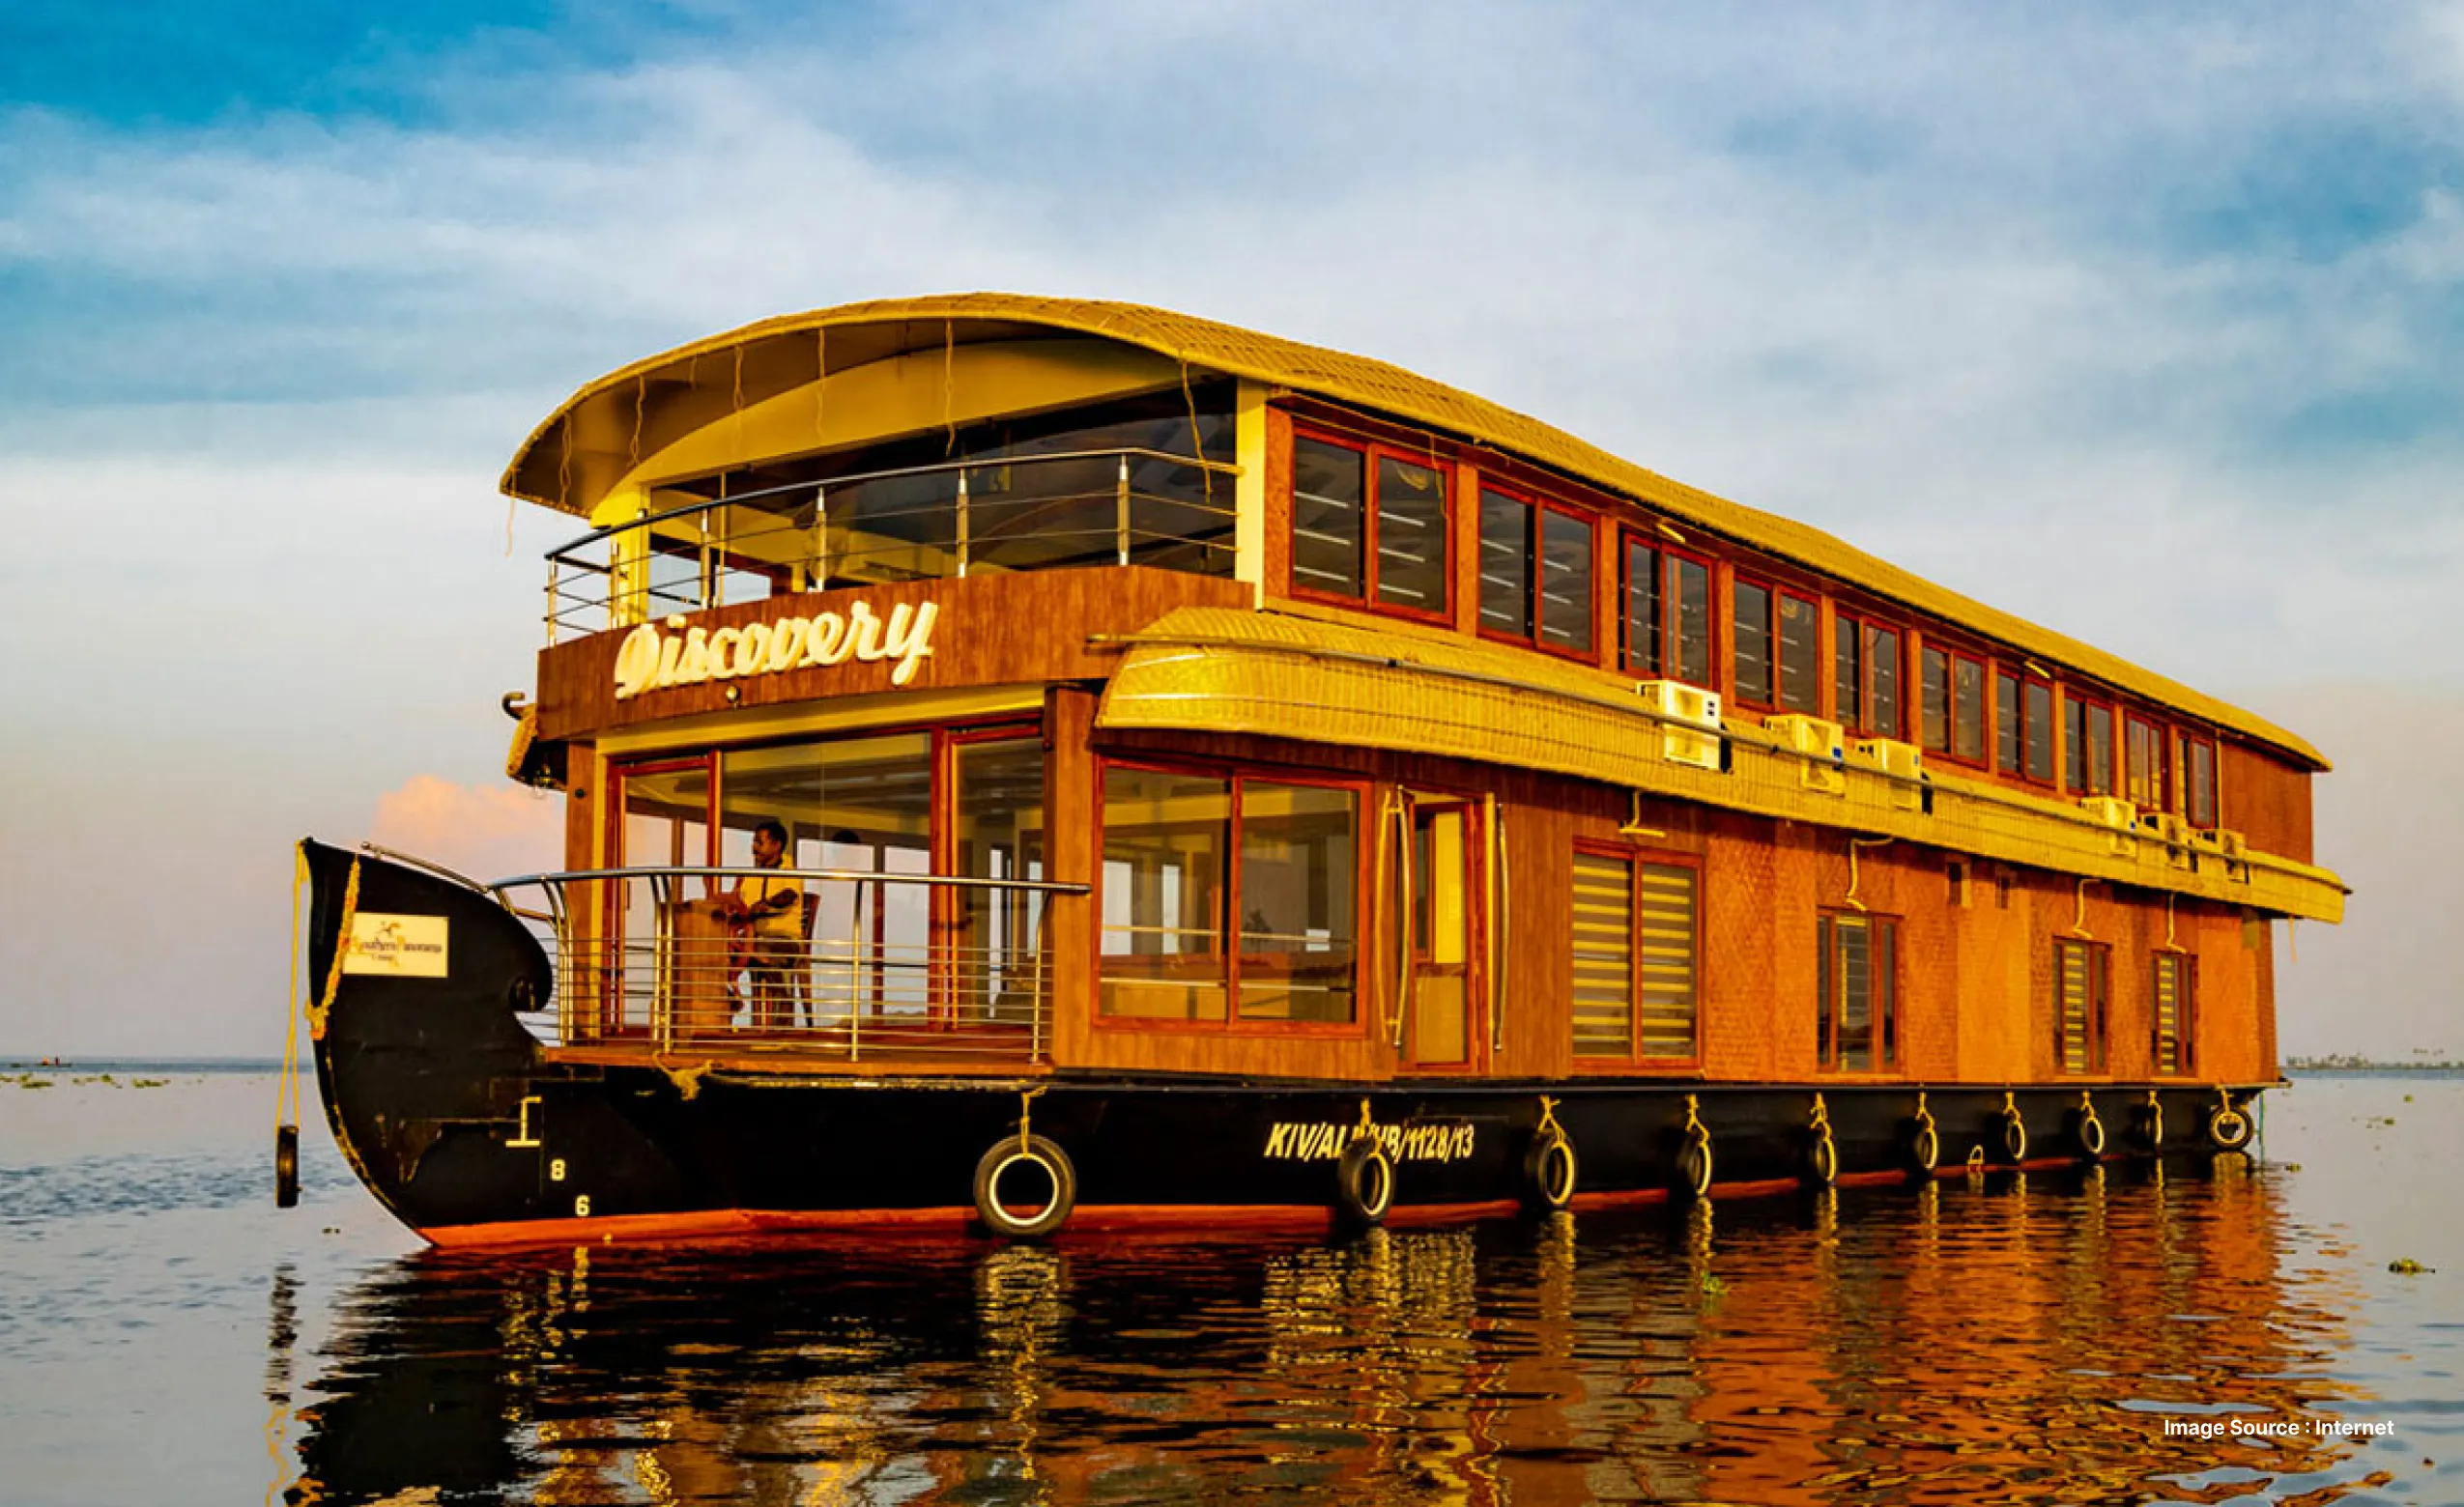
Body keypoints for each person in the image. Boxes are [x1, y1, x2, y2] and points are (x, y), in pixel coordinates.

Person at [726, 819, 806, 1031]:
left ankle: (783, 1026)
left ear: (776, 845)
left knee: (761, 951)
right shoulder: (750, 876)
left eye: (759, 842)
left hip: (784, 940)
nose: (754, 847)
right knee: (718, 953)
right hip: (753, 939)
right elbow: (739, 905)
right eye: (754, 842)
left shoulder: (790, 870)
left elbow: (789, 895)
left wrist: (765, 904)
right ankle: (720, 1016)